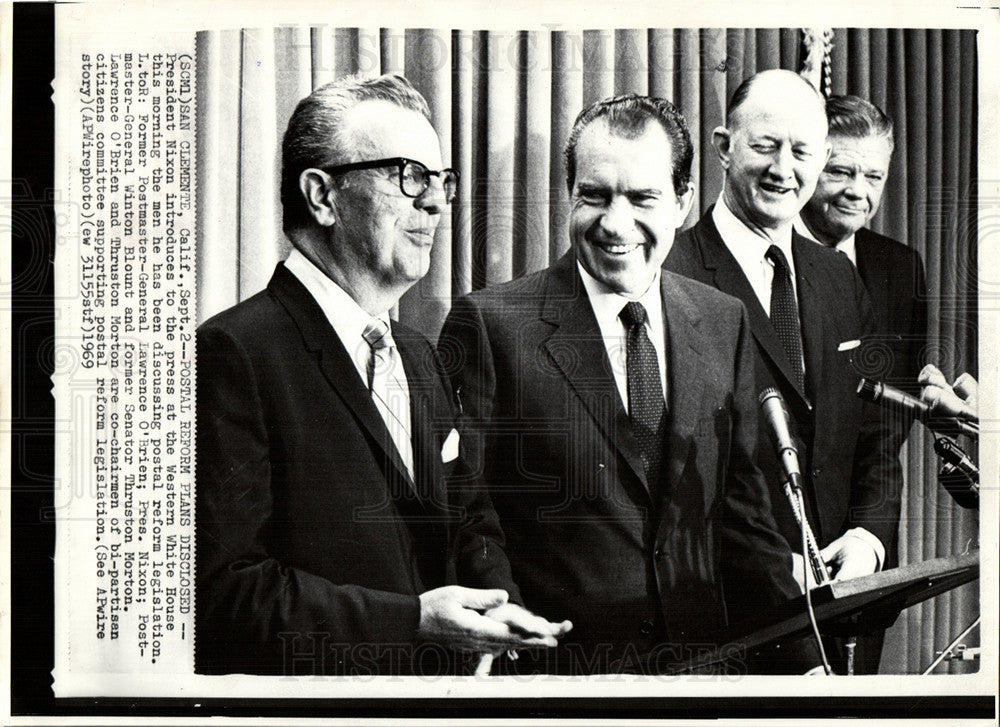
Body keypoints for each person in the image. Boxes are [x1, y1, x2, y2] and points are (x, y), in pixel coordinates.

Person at [195, 74, 569, 676]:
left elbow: (471, 521)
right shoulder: (234, 353)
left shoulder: (420, 356)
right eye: (409, 176)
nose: (436, 203)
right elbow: (224, 596)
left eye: (441, 182)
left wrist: (499, 611)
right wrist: (413, 622)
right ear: (323, 196)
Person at [439, 94, 819, 675]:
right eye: (594, 196)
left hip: (701, 682)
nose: (615, 224)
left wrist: (805, 665)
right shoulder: (491, 326)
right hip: (557, 683)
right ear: (570, 194)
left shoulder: (723, 320)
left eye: (642, 198)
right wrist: (505, 621)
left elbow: (746, 521)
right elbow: (466, 511)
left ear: (683, 202)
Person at [664, 71, 902, 673]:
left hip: (842, 610)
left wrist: (869, 538)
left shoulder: (838, 277)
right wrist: (772, 565)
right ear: (723, 146)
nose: (783, 169)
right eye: (765, 146)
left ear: (821, 158)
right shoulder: (670, 270)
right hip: (725, 622)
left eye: (801, 152)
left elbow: (874, 432)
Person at [796, 95, 928, 398]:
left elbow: (902, 394)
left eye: (873, 177)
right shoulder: (765, 256)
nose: (858, 191)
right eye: (840, 172)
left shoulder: (902, 266)